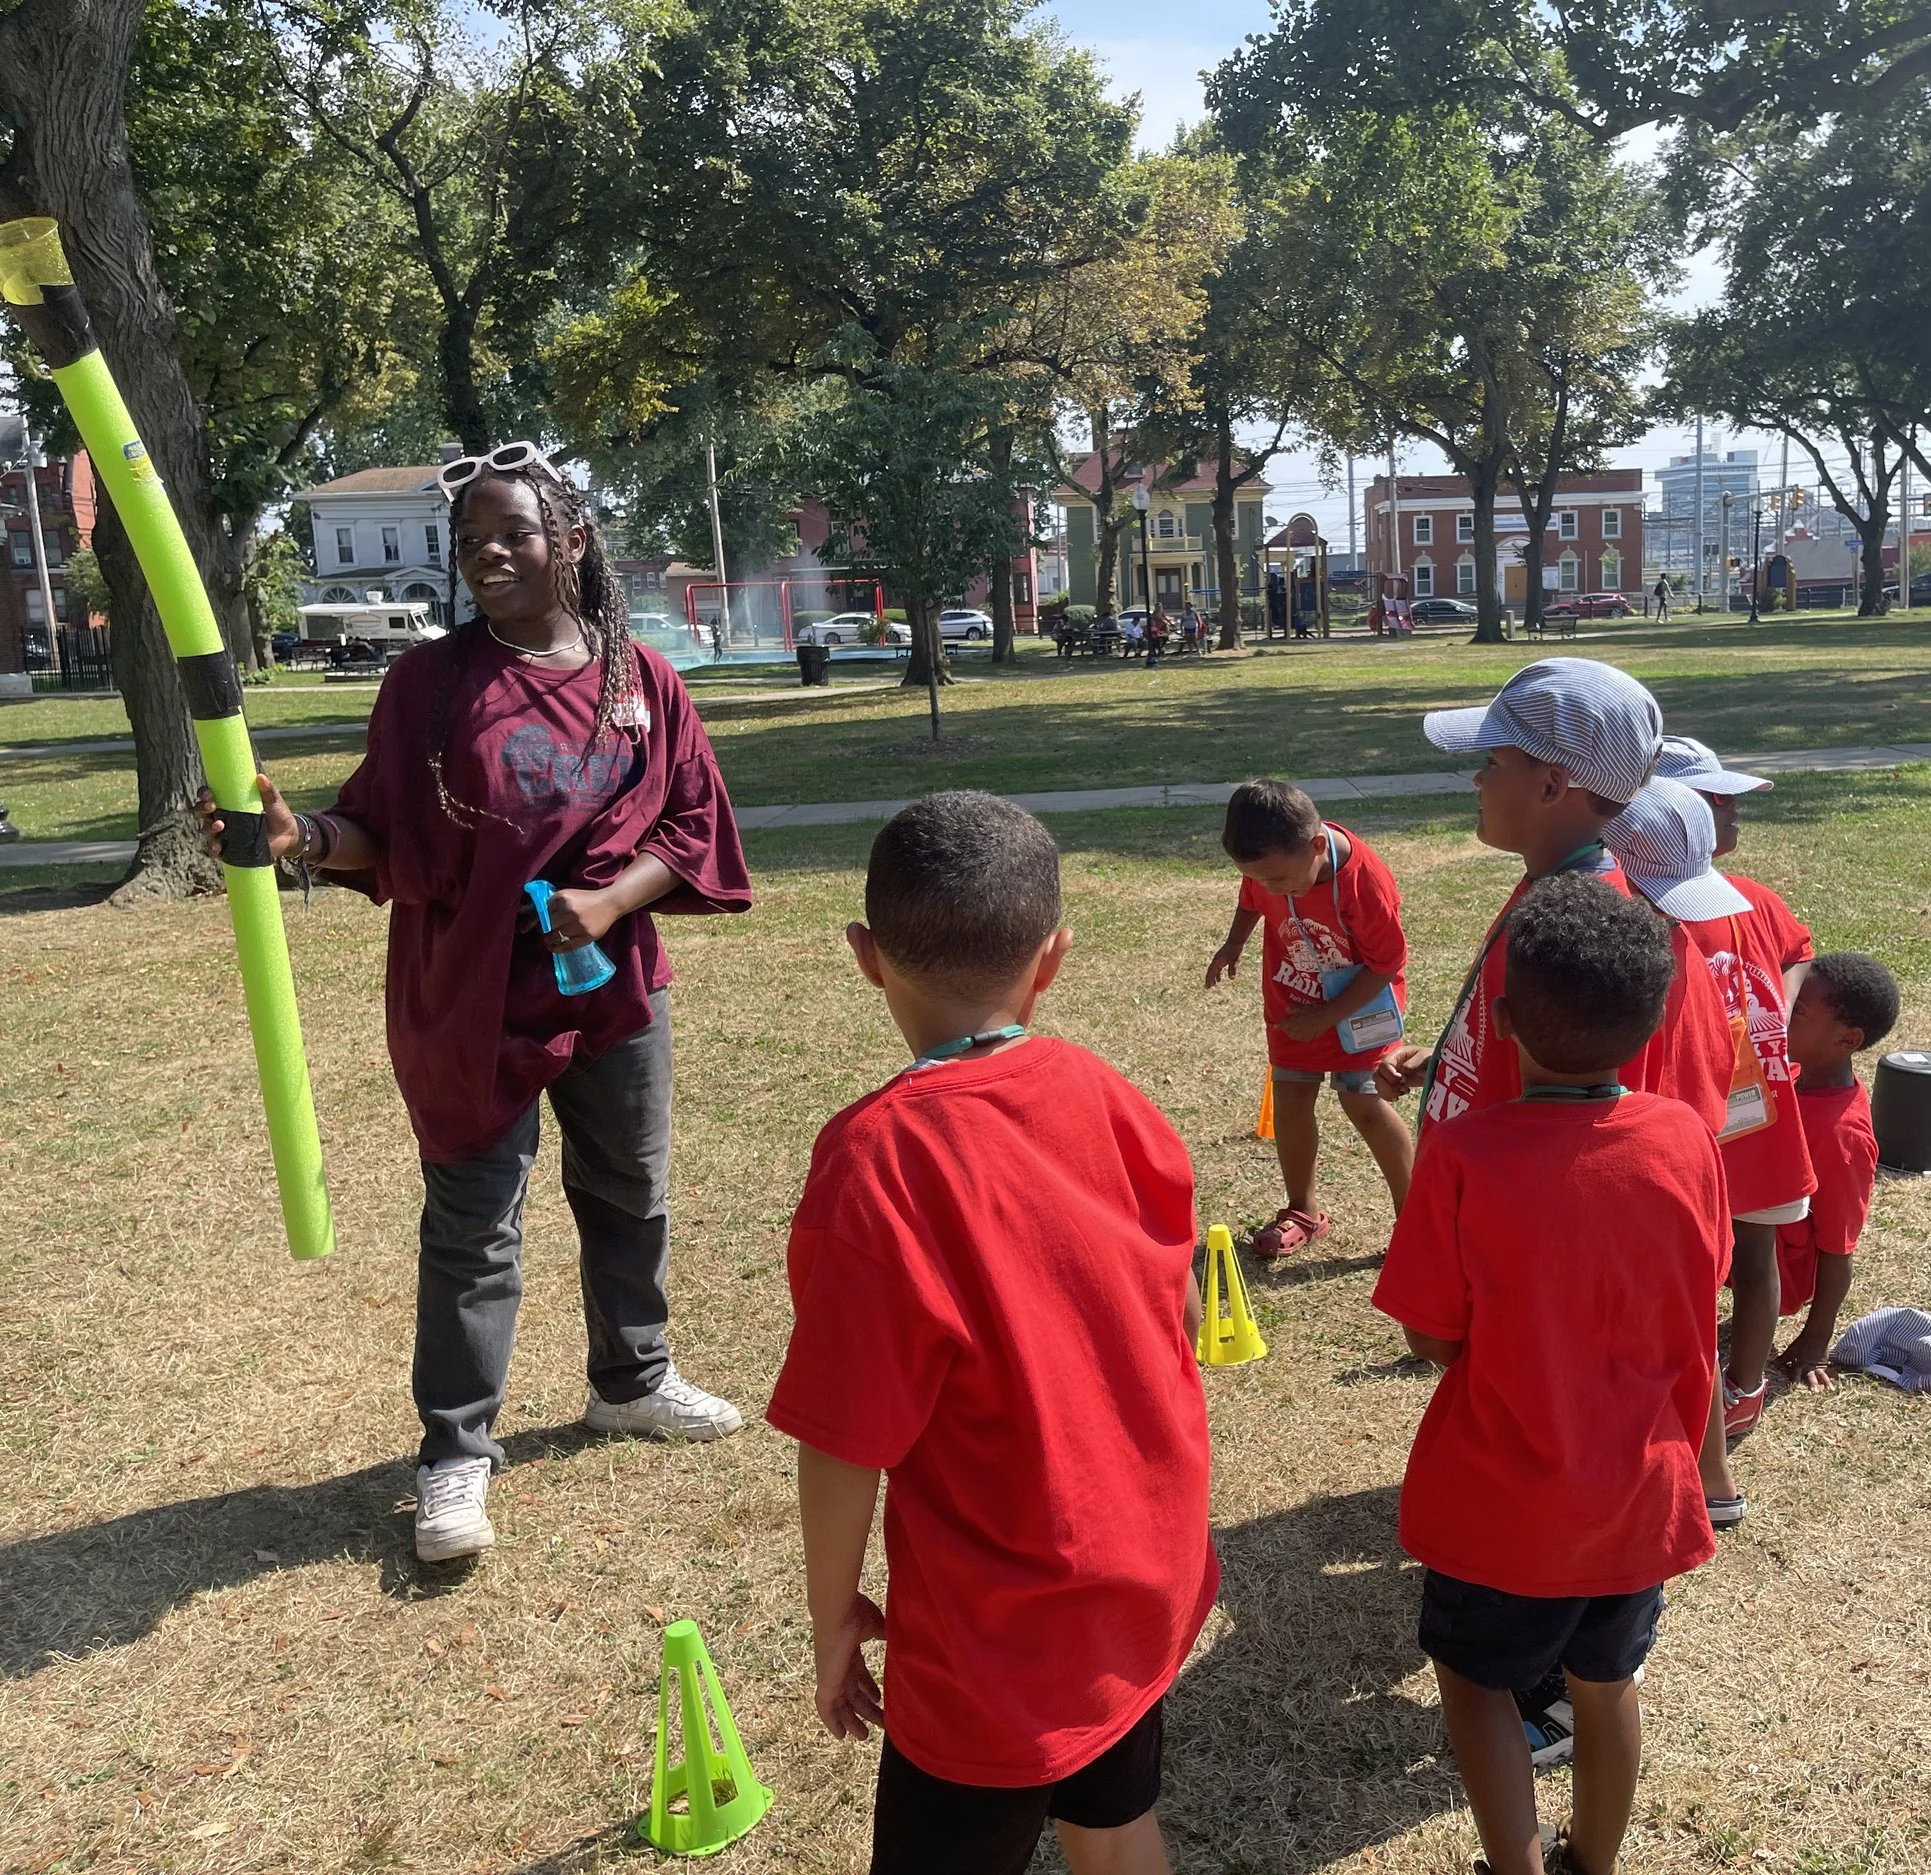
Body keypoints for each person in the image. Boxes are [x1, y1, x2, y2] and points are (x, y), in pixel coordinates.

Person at [199, 441, 752, 1565]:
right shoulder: (430, 685)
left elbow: (691, 828)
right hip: (468, 998)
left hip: (612, 993)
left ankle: (632, 1381)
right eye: (471, 541)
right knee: (472, 1230)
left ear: (572, 545)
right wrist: (305, 839)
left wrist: (606, 904)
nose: (487, 554)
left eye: (512, 534)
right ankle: (455, 1455)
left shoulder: (639, 677)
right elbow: (380, 832)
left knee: (631, 1189)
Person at [771, 792, 1216, 1875]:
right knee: (1113, 1826)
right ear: (1054, 956)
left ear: (865, 957)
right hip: (1142, 1580)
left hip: (994, 1636)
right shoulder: (1114, 1098)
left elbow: (845, 1437)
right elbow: (1190, 1312)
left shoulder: (876, 1160)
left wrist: (833, 1619)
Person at [1374, 874, 1730, 1875]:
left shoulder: (1465, 1154)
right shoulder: (1686, 1140)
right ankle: (1594, 1862)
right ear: (1654, 1016)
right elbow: (1695, 1296)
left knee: (1475, 1684)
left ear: (1500, 1021)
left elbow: (1431, 1338)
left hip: (1501, 1504)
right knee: (1607, 1682)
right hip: (1639, 1499)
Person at [1372, 659, 1670, 1133]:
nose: (1477, 778)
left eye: (1492, 761)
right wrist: (1450, 1062)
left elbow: (1580, 1119)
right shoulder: (1552, 890)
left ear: (1551, 785)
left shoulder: (1580, 938)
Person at [1651, 736, 1816, 1503]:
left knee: (1757, 1260)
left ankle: (1743, 1386)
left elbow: (1799, 950)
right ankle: (1685, 1399)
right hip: (1691, 1124)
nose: (1732, 812)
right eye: (1716, 801)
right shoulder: (1647, 902)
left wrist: (1778, 1005)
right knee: (1687, 1273)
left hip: (1761, 1119)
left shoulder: (1751, 893)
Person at [1206, 780, 1416, 1258]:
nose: (1269, 889)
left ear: (1318, 845)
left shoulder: (1363, 883)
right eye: (1259, 878)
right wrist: (1236, 941)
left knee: (1362, 1101)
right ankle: (1302, 1210)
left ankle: (1415, 1216)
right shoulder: (1271, 863)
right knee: (1292, 1097)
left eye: (1278, 880)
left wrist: (1327, 1017)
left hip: (1360, 1004)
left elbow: (1386, 964)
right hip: (1293, 995)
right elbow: (1250, 897)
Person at [1773, 953, 1899, 1386]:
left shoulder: (1842, 1136)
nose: (1781, 1012)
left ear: (1847, 1040)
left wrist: (1815, 1341)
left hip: (1774, 1265)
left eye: (1798, 1011)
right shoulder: (1791, 1070)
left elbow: (1838, 1247)